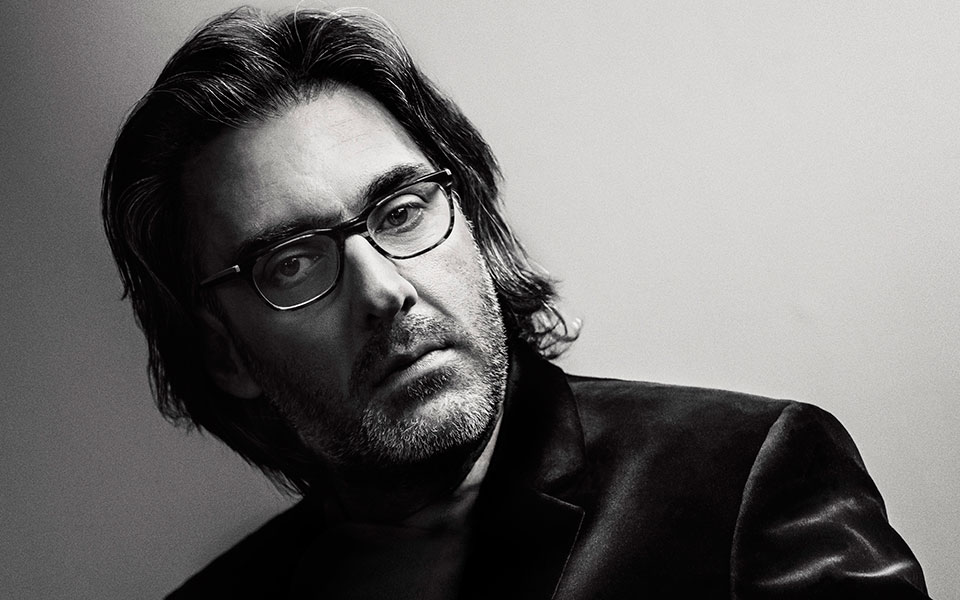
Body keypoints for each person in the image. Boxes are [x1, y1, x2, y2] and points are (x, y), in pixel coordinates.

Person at [102, 6, 929, 599]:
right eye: (292, 263)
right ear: (224, 353)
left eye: (402, 211)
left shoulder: (746, 482)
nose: (384, 290)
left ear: (470, 218)